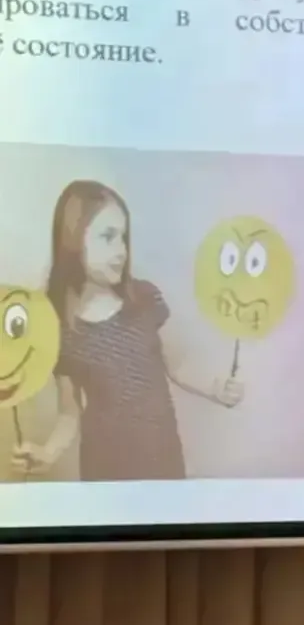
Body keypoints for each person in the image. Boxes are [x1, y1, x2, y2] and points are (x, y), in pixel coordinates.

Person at [11, 180, 243, 481]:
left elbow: (177, 365)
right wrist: (48, 453)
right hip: (104, 468)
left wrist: (215, 388)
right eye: (108, 237)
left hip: (162, 457)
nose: (121, 250)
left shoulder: (145, 299)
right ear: (72, 239)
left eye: (123, 237)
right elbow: (70, 411)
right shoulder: (61, 328)